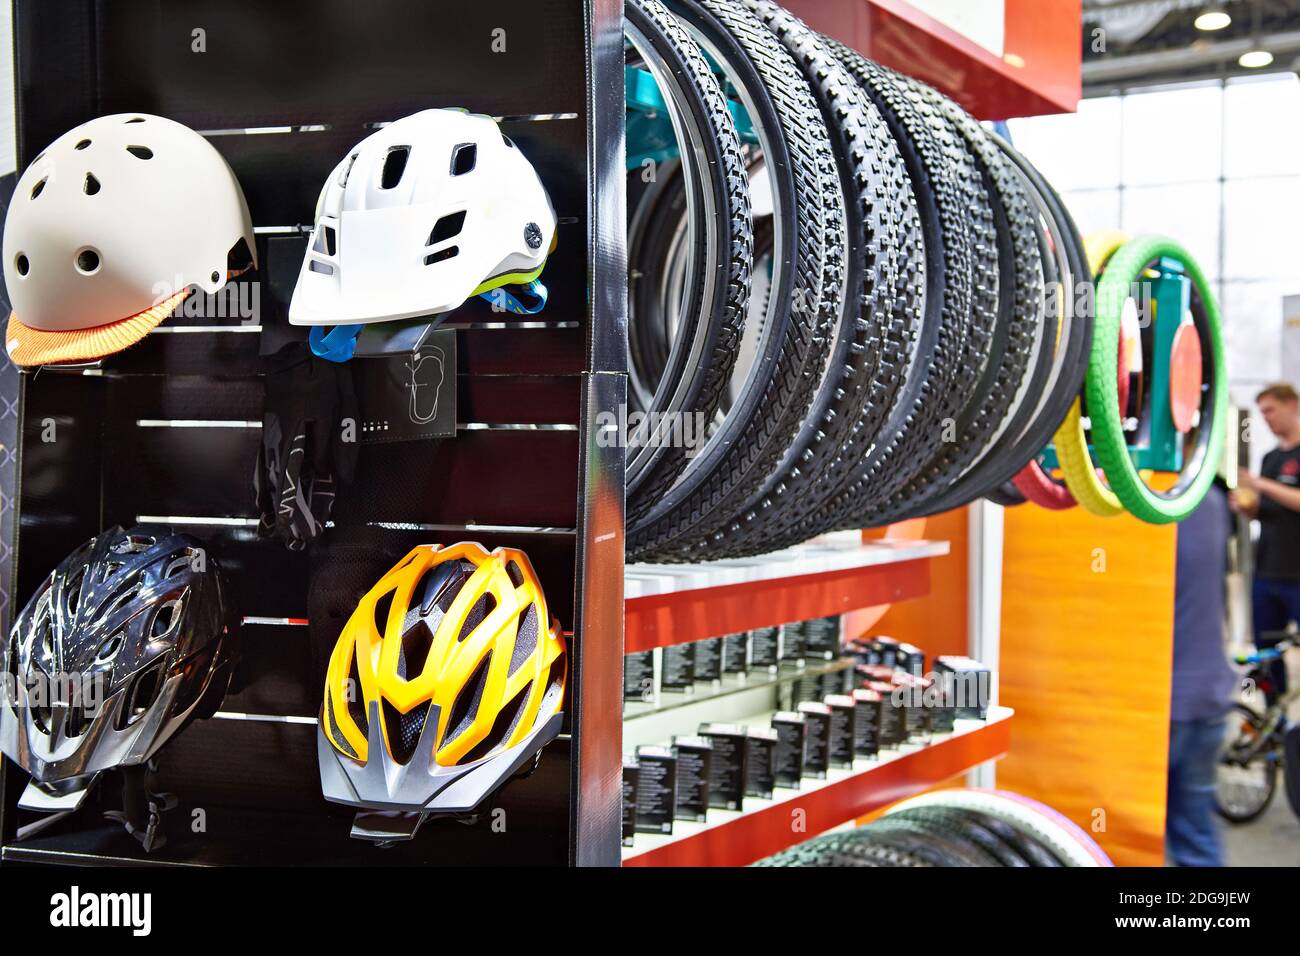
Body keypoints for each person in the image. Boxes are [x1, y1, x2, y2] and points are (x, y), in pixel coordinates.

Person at [1167, 480, 1236, 867]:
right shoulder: (1208, 500)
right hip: (1209, 695)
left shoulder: (1135, 504)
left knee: (1123, 836)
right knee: (1195, 834)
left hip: (1163, 705)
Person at [1232, 382, 1300, 700]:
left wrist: (1261, 484)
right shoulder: (1271, 458)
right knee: (1267, 655)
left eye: (1271, 410)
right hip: (1268, 572)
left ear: (1292, 406)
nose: (1267, 419)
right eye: (1262, 413)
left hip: (1297, 577)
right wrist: (1249, 507)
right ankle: (1275, 722)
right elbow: (1270, 512)